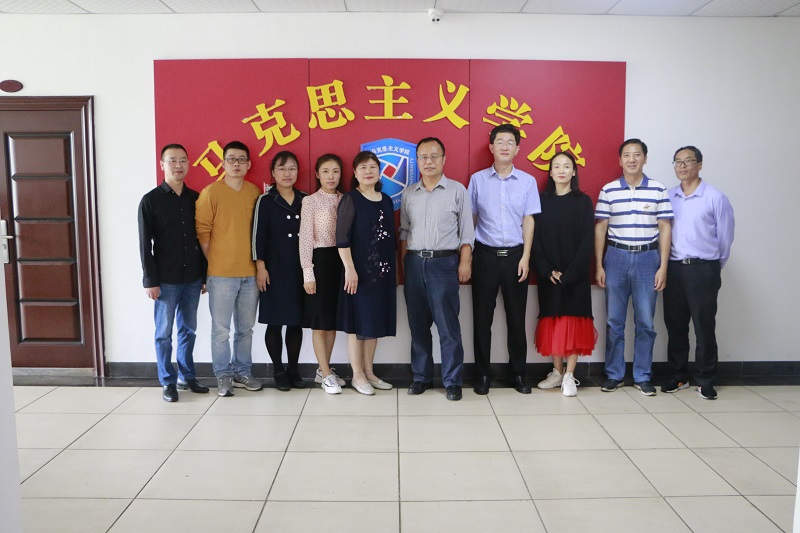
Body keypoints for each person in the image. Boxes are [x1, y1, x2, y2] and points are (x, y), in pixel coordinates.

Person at [595, 138, 673, 396]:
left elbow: (665, 228)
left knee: (646, 323)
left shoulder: (658, 189)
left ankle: (642, 375)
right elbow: (601, 229)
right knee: (614, 321)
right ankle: (614, 375)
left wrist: (663, 266)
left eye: (637, 154)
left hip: (648, 259)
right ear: (620, 160)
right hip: (615, 258)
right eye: (627, 155)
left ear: (645, 159)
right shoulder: (608, 190)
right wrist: (599, 265)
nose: (632, 160)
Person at [400, 137, 475, 401]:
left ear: (444, 159)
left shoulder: (457, 191)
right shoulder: (409, 193)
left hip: (444, 264)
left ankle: (452, 381)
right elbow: (404, 232)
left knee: (448, 327)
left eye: (434, 156)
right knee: (418, 326)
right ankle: (421, 377)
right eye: (423, 156)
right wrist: (403, 264)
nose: (428, 161)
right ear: (417, 161)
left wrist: (465, 262)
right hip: (414, 263)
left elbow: (467, 233)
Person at [468, 124, 540, 395]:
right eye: (500, 142)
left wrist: (526, 257)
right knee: (481, 319)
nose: (505, 147)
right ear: (491, 147)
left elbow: (529, 220)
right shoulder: (477, 180)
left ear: (517, 149)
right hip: (484, 255)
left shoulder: (527, 182)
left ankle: (518, 373)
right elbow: (470, 219)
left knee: (516, 318)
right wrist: (469, 255)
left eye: (510, 142)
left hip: (515, 257)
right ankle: (482, 374)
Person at [662, 146, 734, 400]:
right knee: (675, 325)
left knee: (704, 326)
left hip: (703, 269)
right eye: (678, 162)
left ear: (700, 165)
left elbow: (725, 239)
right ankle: (678, 375)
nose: (682, 166)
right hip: (674, 268)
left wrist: (712, 266)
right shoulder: (669, 197)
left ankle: (705, 379)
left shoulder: (715, 197)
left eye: (688, 161)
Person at [138, 143, 209, 402]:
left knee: (188, 330)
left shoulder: (197, 199)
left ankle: (187, 376)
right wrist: (150, 280)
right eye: (172, 160)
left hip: (192, 278)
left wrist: (204, 275)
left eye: (183, 160)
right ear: (162, 165)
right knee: (163, 333)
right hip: (165, 279)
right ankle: (167, 381)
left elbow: (203, 239)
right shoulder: (150, 200)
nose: (178, 165)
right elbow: (145, 244)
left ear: (189, 164)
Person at [196, 141, 262, 397]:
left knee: (245, 329)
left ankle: (242, 372)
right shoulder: (211, 192)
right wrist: (216, 261)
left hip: (250, 274)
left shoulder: (254, 192)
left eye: (241, 159)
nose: (236, 164)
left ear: (248, 164)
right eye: (231, 159)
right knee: (221, 330)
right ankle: (223, 375)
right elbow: (203, 232)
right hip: (221, 275)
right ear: (223, 163)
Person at [533, 152, 597, 397]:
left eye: (567, 166)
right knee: (553, 321)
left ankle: (570, 375)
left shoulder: (583, 202)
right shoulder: (541, 201)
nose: (561, 170)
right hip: (549, 274)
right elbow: (535, 239)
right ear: (550, 172)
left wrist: (571, 273)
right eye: (557, 166)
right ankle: (557, 372)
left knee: (574, 323)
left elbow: (587, 240)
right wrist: (547, 269)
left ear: (574, 172)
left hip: (575, 275)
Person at [336, 151, 397, 396]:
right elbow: (342, 239)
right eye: (363, 167)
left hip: (382, 274)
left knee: (374, 322)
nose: (368, 171)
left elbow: (390, 239)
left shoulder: (386, 200)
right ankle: (357, 375)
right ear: (355, 173)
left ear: (379, 172)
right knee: (357, 324)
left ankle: (370, 372)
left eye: (373, 167)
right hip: (358, 274)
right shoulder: (351, 199)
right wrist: (350, 269)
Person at [252, 151, 308, 391]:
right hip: (273, 269)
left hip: (299, 268)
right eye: (282, 168)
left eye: (292, 168)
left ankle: (293, 369)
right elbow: (257, 236)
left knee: (295, 321)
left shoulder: (306, 199)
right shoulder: (265, 200)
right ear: (273, 173)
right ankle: (277, 370)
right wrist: (260, 267)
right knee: (274, 322)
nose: (287, 173)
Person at [299, 154, 347, 394]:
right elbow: (305, 239)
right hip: (320, 262)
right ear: (317, 174)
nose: (331, 176)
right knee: (319, 322)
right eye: (326, 171)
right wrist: (308, 273)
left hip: (342, 262)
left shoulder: (346, 199)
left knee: (332, 321)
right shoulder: (310, 201)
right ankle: (326, 373)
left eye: (335, 171)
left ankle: (323, 370)